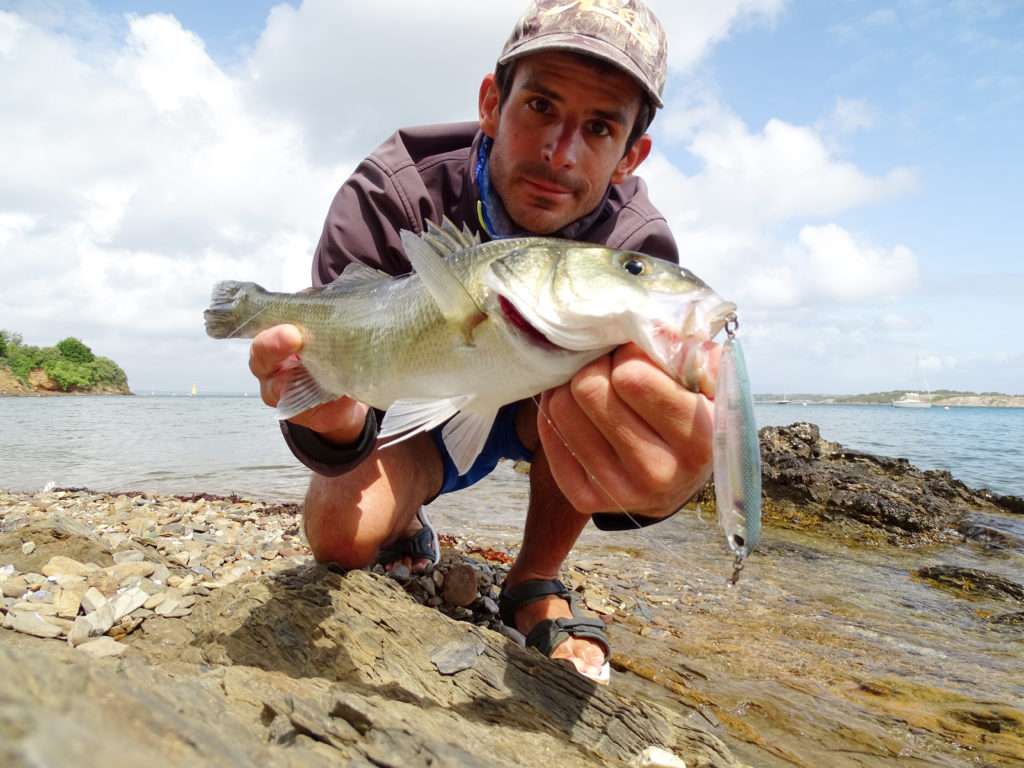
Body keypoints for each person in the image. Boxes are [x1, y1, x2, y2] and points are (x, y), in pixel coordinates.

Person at [248, 0, 717, 684]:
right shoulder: (391, 189)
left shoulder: (637, 250)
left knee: (603, 390)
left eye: (599, 126)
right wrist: (334, 417)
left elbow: (653, 421)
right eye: (540, 107)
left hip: (544, 414)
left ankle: (536, 577)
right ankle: (407, 524)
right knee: (339, 535)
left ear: (630, 155)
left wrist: (670, 482)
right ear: (493, 103)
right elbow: (333, 353)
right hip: (423, 398)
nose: (561, 152)